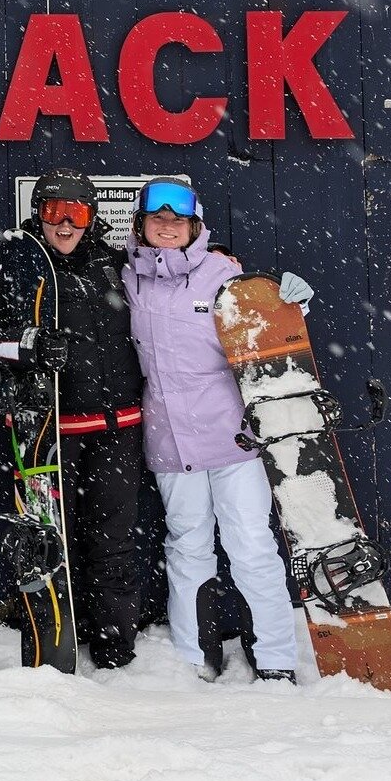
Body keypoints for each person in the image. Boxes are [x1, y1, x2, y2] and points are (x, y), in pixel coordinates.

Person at [122, 177, 313, 683]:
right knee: (187, 544)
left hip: (232, 438)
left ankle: (274, 658)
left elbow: (264, 326)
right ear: (141, 225)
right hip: (169, 437)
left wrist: (290, 303)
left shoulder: (221, 273)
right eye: (157, 220)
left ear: (194, 226)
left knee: (251, 543)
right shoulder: (126, 278)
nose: (167, 228)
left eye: (177, 221)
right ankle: (193, 655)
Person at [0, 169, 144, 668]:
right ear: (38, 215)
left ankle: (115, 649)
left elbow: (169, 290)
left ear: (92, 219)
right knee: (47, 544)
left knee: (114, 541)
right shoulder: (21, 264)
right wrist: (30, 345)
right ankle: (53, 639)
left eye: (77, 214)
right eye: (53, 213)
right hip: (48, 432)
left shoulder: (115, 266)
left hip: (116, 428)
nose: (64, 225)